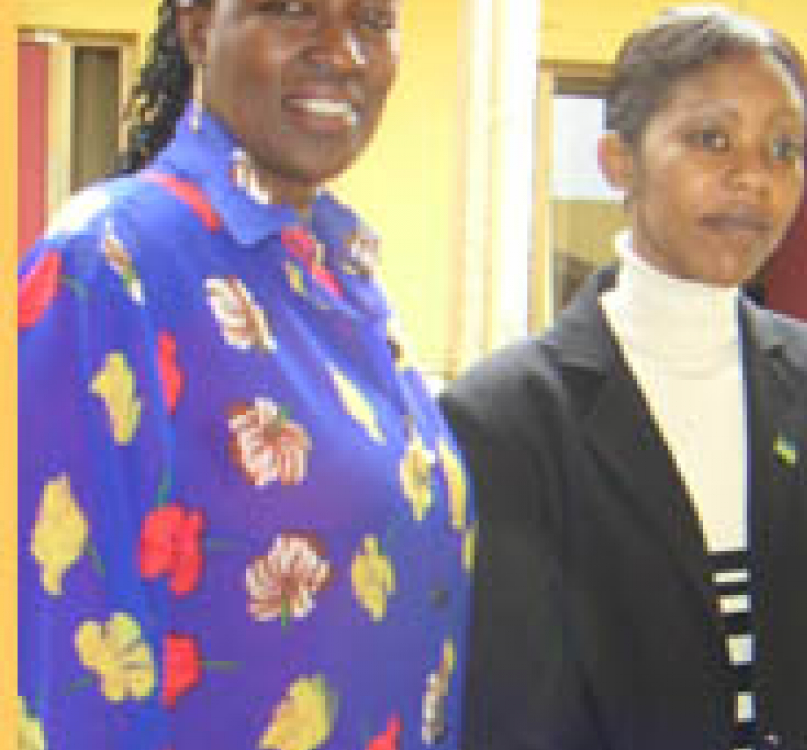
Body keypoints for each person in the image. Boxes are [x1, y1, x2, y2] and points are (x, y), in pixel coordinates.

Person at [441, 7, 807, 750]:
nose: (753, 176)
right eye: (711, 139)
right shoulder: (506, 418)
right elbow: (514, 703)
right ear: (620, 161)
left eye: (783, 148)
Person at [17, 1, 472, 748]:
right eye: (292, 9)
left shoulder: (339, 273)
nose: (343, 52)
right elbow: (62, 652)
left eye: (373, 19)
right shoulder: (110, 266)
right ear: (198, 27)